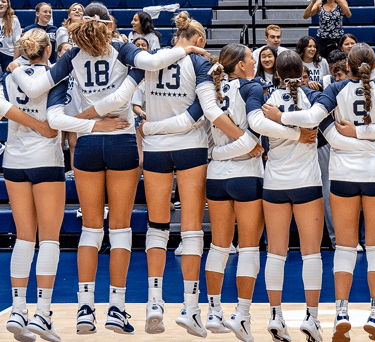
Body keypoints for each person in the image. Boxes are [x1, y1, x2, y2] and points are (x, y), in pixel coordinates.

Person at [8, 2, 207, 335]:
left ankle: (85, 309)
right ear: (110, 23)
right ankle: (117, 307)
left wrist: (89, 123)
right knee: (120, 229)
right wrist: (185, 47)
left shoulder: (70, 57)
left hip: (86, 144)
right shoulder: (121, 47)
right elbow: (155, 61)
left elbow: (53, 115)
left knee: (90, 228)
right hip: (121, 138)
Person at [265, 42, 375, 342]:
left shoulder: (335, 90)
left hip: (343, 176)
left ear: (347, 65)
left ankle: (341, 314)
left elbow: (319, 127)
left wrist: (280, 117)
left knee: (345, 248)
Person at [121, 11, 256, 337]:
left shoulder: (149, 59)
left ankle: (155, 301)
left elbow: (124, 97)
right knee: (192, 229)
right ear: (198, 41)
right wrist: (245, 140)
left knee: (157, 225)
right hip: (191, 149)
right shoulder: (200, 65)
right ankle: (192, 308)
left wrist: (149, 127)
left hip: (154, 150)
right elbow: (205, 113)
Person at [3, 28, 128, 342]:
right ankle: (42, 314)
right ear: (48, 51)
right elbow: (55, 120)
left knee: (23, 238)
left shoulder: (10, 75)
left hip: (14, 161)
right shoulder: (54, 76)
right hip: (45, 161)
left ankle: (18, 310)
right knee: (48, 240)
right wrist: (94, 124)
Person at [250, 50, 325, 342]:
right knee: (312, 254)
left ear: (276, 74)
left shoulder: (267, 99)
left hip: (275, 183)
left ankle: (275, 315)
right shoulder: (313, 99)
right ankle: (312, 318)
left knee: (276, 253)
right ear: (303, 70)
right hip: (307, 182)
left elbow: (257, 126)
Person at [205, 43, 265, 342]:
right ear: (240, 65)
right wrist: (235, 150)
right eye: (251, 59)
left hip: (216, 177)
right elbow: (251, 142)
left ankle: (213, 311)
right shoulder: (250, 88)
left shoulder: (212, 88)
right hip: (246, 177)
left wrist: (217, 155)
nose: (254, 64)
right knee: (249, 248)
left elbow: (212, 139)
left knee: (218, 246)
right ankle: (241, 315)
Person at [0, 0, 20, 70]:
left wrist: (14, 61)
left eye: (3, 1)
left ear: (8, 4)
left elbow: (17, 43)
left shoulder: (14, 20)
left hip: (8, 55)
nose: (0, 4)